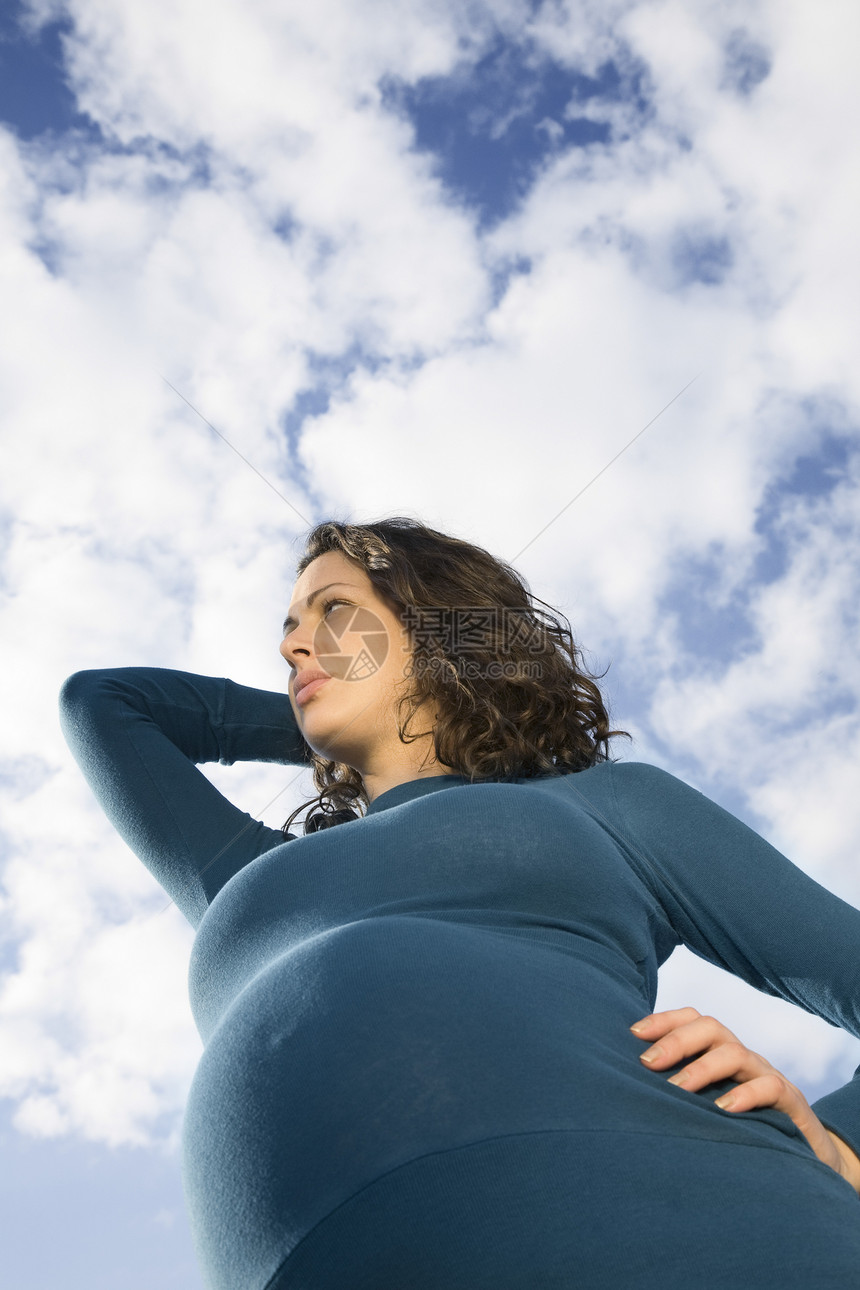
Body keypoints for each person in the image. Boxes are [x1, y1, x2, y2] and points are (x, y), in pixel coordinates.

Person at [59, 516, 860, 1289]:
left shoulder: (602, 806)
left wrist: (837, 1145)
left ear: (442, 631)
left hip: (694, 1230)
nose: (292, 643)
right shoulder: (247, 875)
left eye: (336, 610)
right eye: (292, 626)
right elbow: (104, 703)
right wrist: (332, 706)